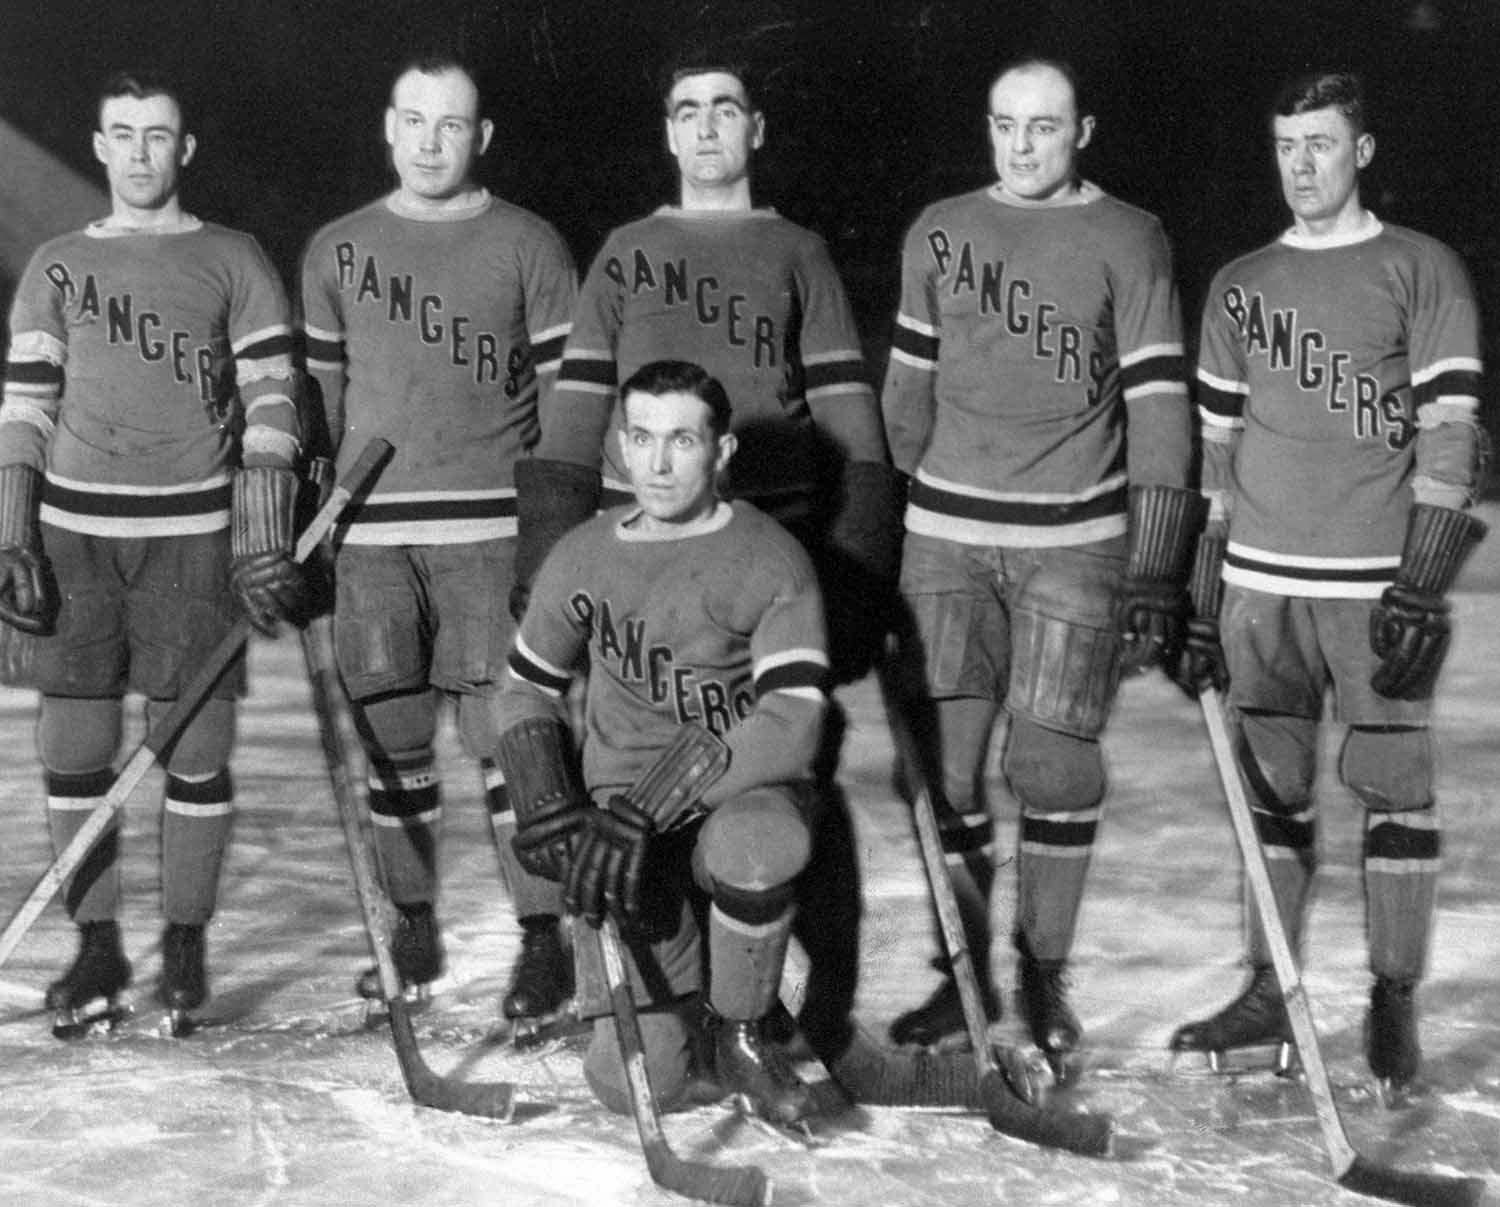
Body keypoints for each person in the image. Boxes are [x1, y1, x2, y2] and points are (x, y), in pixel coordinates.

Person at [513, 50, 902, 1045]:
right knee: (635, 761)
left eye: (726, 109)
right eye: (686, 110)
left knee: (787, 775)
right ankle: (688, 988)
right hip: (641, 554)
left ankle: (813, 998)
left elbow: (851, 418)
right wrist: (544, 559)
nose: (706, 128)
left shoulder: (798, 250)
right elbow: (575, 417)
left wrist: (858, 560)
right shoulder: (625, 249)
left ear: (754, 130)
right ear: (668, 131)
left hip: (773, 547)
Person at [1168, 71, 1486, 1105]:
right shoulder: (1239, 282)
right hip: (1262, 587)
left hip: (1371, 588)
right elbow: (1213, 452)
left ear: (1364, 149)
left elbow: (1450, 434)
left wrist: (1423, 582)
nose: (1302, 162)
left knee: (1394, 790)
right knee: (1271, 798)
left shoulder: (1419, 268)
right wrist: (1201, 593)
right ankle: (1270, 990)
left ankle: (1391, 997)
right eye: (1286, 144)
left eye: (1321, 142)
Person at [879, 57, 1197, 1076]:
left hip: (1076, 544)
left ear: (1084, 130)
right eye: (1006, 125)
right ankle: (960, 970)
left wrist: (1156, 562)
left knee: (1053, 766)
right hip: (944, 540)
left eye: (1045, 128)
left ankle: (1041, 972)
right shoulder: (939, 228)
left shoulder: (1128, 236)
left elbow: (1156, 407)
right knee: (947, 769)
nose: (1022, 146)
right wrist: (876, 528)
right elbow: (907, 392)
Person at [0, 70, 305, 1034]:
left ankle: (184, 941)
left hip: (194, 535)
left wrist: (261, 524)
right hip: (75, 534)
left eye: (158, 135)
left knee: (196, 752)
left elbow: (273, 396)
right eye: (122, 134)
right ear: (98, 146)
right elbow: (26, 407)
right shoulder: (54, 264)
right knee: (74, 750)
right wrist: (11, 523)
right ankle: (96, 949)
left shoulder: (232, 256)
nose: (139, 152)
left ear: (186, 149)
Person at [298, 52, 578, 1032]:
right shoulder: (334, 248)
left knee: (508, 738)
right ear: (387, 125)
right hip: (374, 534)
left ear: (480, 137)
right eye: (414, 122)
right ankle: (412, 926)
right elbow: (322, 403)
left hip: (490, 531)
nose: (429, 142)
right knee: (395, 737)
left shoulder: (530, 244)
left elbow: (567, 403)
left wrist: (557, 531)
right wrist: (302, 507)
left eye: (450, 125)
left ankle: (543, 936)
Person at [496, 359, 830, 1123]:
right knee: (635, 1084)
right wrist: (546, 795)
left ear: (721, 453)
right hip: (621, 827)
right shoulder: (584, 550)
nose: (658, 461)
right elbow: (522, 685)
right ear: (619, 445)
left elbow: (791, 721)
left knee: (758, 847)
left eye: (682, 439)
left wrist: (654, 806)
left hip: (734, 794)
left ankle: (743, 1030)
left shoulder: (770, 556)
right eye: (641, 437)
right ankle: (695, 1008)